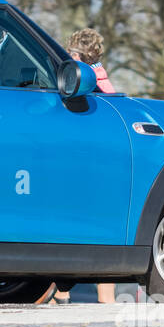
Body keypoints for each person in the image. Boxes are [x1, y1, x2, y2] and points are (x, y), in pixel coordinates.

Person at [51, 27, 119, 305]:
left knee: (70, 226)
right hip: (104, 168)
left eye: (69, 52)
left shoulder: (83, 83)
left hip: (84, 165)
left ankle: (61, 293)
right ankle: (105, 299)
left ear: (77, 55)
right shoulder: (108, 86)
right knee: (103, 231)